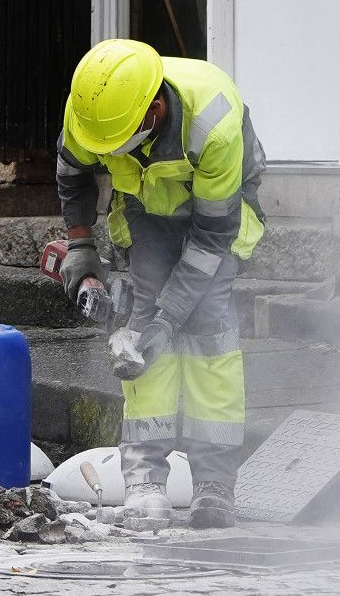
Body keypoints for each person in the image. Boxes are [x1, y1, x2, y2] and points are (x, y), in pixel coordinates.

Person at [54, 38, 266, 528]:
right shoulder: (94, 111)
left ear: (154, 111)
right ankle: (145, 479)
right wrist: (81, 247)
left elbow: (213, 237)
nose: (108, 152)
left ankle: (214, 485)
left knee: (208, 324)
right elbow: (73, 177)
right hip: (145, 205)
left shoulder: (212, 124)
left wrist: (171, 319)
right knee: (144, 318)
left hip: (218, 208)